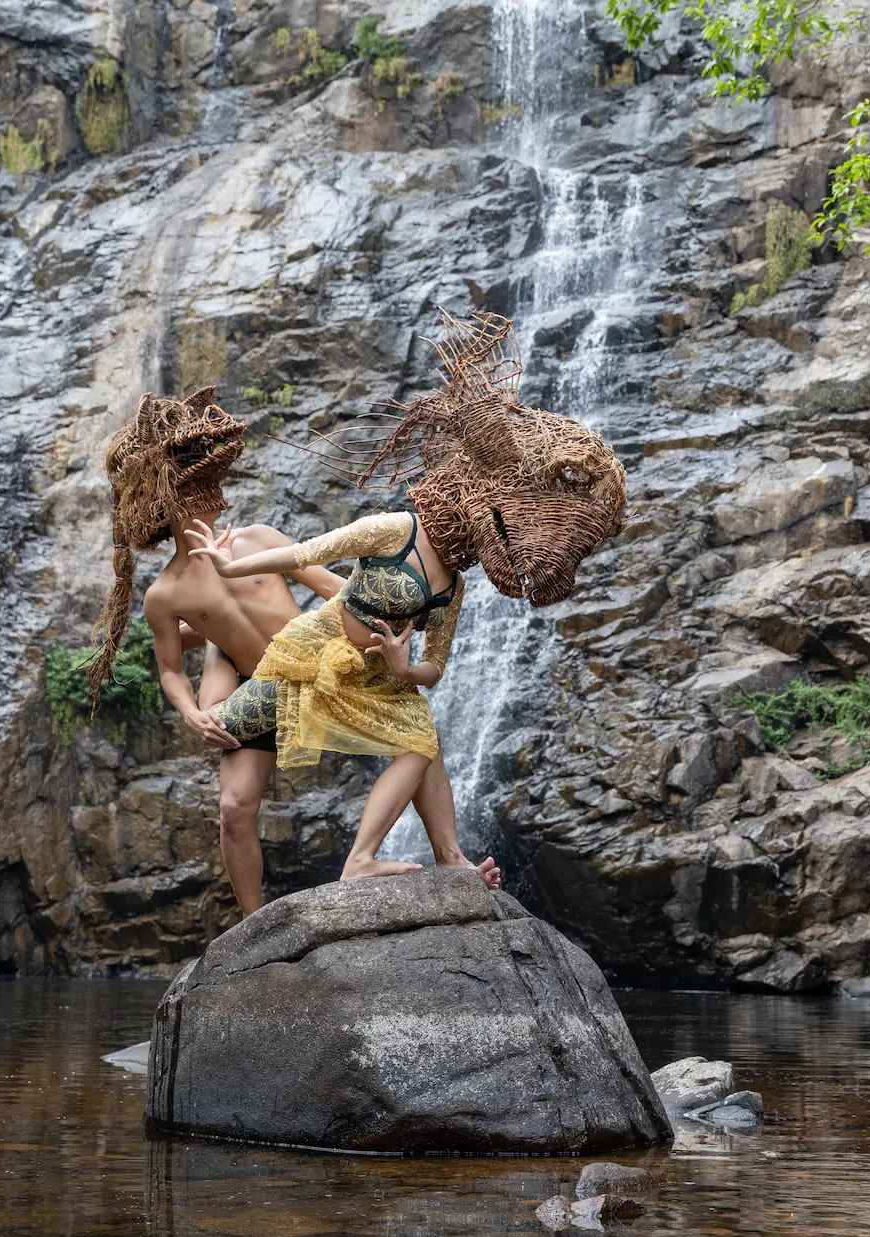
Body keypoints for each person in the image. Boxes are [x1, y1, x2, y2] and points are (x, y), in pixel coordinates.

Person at [192, 311, 629, 875]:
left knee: (422, 738)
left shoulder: (456, 586)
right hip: (316, 657)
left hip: (378, 679)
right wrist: (230, 569)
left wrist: (404, 667)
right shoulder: (396, 530)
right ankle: (216, 647)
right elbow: (306, 553)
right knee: (221, 725)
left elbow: (435, 669)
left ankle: (411, 859)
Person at [84, 388, 495, 916]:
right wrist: (190, 712)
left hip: (320, 666)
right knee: (234, 806)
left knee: (419, 732)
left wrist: (386, 618)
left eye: (213, 485)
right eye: (200, 488)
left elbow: (333, 588)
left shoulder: (258, 540)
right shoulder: (164, 595)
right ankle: (255, 929)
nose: (216, 495)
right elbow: (168, 669)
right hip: (261, 691)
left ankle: (451, 857)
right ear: (171, 502)